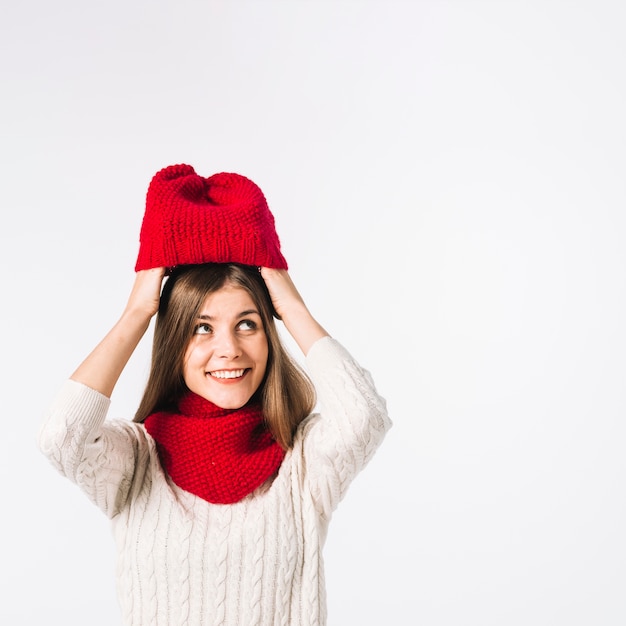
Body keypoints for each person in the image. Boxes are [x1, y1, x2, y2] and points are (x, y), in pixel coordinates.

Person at [38, 164, 392, 626]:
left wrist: (290, 304)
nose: (228, 349)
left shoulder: (303, 461)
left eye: (248, 323)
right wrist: (137, 312)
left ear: (270, 333)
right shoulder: (135, 460)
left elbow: (364, 417)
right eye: (201, 328)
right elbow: (61, 439)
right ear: (174, 342)